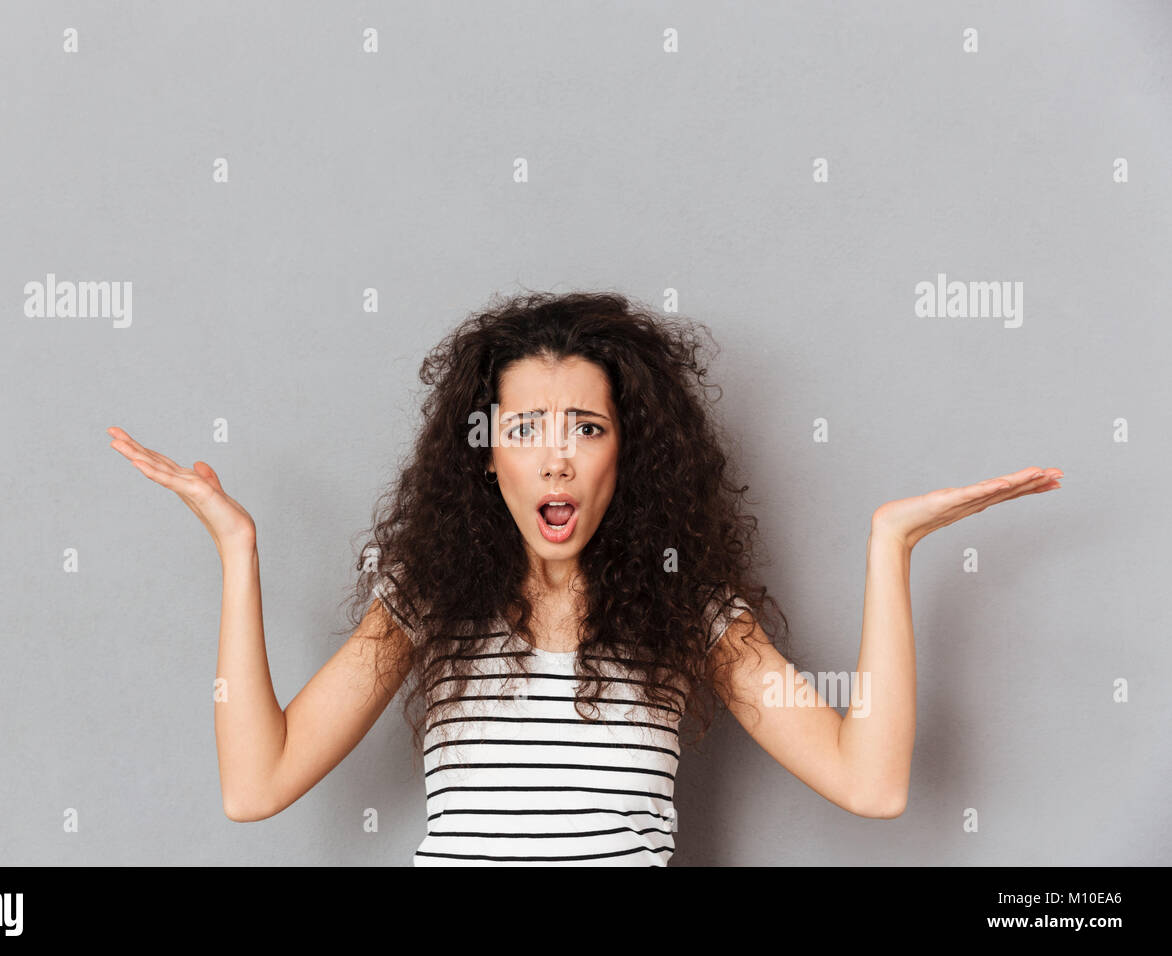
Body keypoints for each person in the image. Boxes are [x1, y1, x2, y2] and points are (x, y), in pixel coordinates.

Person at [106, 289, 1062, 866]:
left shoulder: (689, 613)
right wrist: (238, 550)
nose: (556, 461)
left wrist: (890, 547)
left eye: (587, 429)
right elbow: (255, 783)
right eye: (526, 431)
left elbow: (872, 782)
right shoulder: (427, 604)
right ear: (486, 457)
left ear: (626, 455)